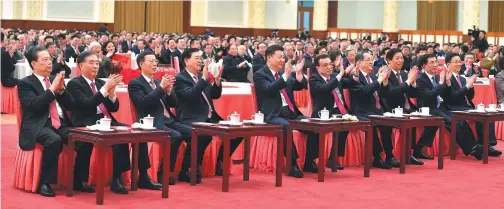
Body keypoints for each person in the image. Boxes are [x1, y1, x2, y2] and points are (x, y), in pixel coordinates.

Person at [174, 48, 243, 178]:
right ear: (186, 60)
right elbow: (191, 96)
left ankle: (220, 161)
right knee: (203, 135)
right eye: (197, 58)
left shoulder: (200, 77)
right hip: (191, 117)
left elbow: (214, 95)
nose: (201, 61)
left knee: (238, 131)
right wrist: (205, 78)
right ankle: (187, 169)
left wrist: (217, 81)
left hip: (210, 117)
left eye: (201, 58)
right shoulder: (180, 78)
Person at [18, 47, 76, 197]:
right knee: (54, 140)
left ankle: (78, 179)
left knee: (82, 138)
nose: (49, 63)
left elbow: (71, 106)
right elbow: (34, 105)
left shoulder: (54, 80)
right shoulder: (25, 83)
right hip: (39, 124)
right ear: (33, 63)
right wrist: (52, 89)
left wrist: (62, 90)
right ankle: (44, 182)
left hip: (61, 123)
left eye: (50, 59)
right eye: (45, 60)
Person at [253, 45, 319, 178]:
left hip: (290, 112)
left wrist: (299, 74)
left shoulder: (284, 73)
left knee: (314, 124)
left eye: (283, 57)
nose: (283, 60)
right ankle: (292, 163)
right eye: (280, 57)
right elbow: (270, 88)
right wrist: (286, 75)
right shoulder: (260, 74)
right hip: (272, 114)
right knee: (286, 126)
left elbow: (298, 86)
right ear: (269, 58)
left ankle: (308, 161)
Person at [128, 51, 194, 184]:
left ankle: (184, 170)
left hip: (169, 119)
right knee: (175, 136)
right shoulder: (135, 83)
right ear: (141, 64)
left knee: (193, 133)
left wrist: (169, 92)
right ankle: (163, 173)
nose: (154, 64)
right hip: (151, 121)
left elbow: (174, 103)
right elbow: (143, 103)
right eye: (151, 61)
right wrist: (161, 88)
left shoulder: (159, 81)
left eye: (156, 61)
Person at [416, 53, 485, 160]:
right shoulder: (421, 79)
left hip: (443, 106)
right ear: (424, 66)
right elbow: (429, 97)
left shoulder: (438, 77)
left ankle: (474, 146)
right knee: (453, 122)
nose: (435, 65)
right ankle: (472, 148)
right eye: (432, 62)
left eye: (436, 62)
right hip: (429, 108)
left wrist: (447, 83)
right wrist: (441, 83)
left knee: (459, 120)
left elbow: (447, 94)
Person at [442, 53, 501, 157]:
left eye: (460, 61)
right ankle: (474, 148)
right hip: (453, 107)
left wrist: (471, 86)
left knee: (485, 113)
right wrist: (467, 87)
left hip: (465, 106)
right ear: (447, 64)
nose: (459, 64)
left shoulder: (463, 78)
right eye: (455, 62)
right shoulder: (446, 78)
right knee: (460, 121)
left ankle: (487, 145)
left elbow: (470, 96)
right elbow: (452, 97)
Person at [379, 48, 431, 163]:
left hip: (406, 108)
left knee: (420, 119)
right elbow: (391, 93)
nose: (400, 61)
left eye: (401, 58)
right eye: (397, 58)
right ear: (389, 60)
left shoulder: (403, 73)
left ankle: (409, 154)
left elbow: (413, 94)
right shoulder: (385, 73)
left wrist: (413, 83)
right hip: (390, 108)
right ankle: (389, 155)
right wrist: (408, 82)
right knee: (385, 126)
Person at [349, 51, 399, 169]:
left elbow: (383, 94)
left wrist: (385, 81)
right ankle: (376, 157)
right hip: (362, 111)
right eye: (368, 59)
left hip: (375, 110)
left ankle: (389, 155)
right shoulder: (355, 76)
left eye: (372, 59)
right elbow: (365, 92)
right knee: (373, 123)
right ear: (359, 62)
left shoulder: (372, 76)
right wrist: (379, 80)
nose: (372, 62)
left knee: (387, 123)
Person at [309, 54, 359, 170]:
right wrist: (340, 75)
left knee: (345, 126)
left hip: (340, 110)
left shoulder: (335, 76)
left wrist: (355, 75)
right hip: (323, 112)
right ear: (317, 68)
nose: (329, 67)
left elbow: (350, 83)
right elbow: (325, 89)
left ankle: (333, 157)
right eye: (325, 65)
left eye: (330, 64)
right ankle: (310, 160)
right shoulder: (314, 79)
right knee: (315, 132)